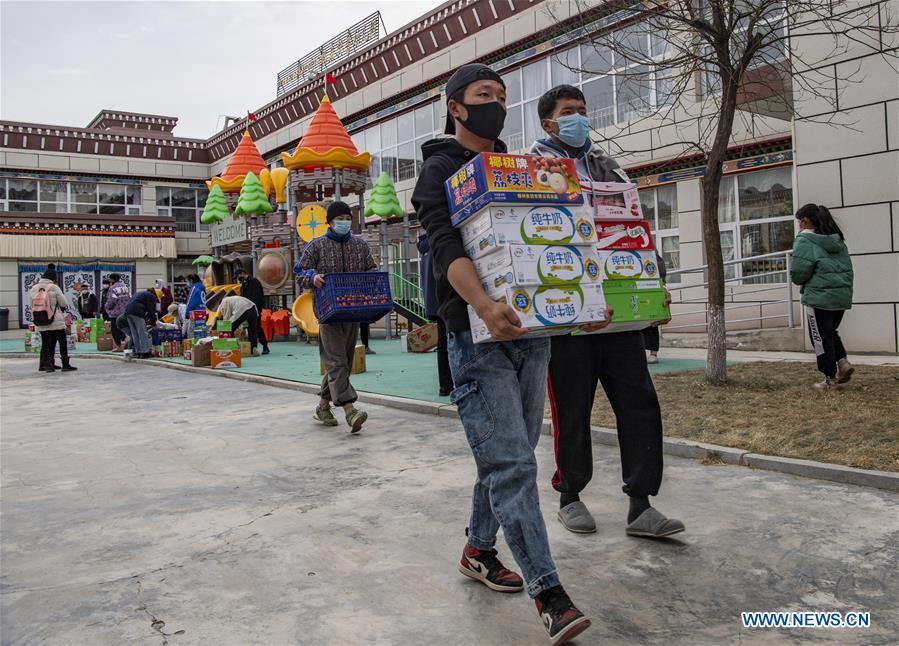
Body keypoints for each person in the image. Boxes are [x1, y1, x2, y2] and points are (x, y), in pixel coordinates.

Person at [411, 65, 592, 645]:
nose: (496, 104)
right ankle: (549, 593)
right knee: (512, 462)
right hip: (475, 335)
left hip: (532, 333)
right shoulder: (439, 169)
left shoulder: (517, 169)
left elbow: (555, 236)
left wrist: (585, 297)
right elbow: (446, 247)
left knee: (508, 455)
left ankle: (477, 550)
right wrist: (484, 305)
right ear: (455, 107)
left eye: (502, 97)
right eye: (483, 95)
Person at [531, 85, 684, 540]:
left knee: (640, 404)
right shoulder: (532, 169)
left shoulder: (608, 165)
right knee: (572, 409)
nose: (579, 118)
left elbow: (636, 226)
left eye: (582, 110)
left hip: (620, 313)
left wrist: (655, 283)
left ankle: (642, 505)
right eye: (568, 112)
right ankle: (570, 495)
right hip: (569, 314)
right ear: (547, 123)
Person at [296, 200, 375, 433]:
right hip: (327, 312)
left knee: (342, 362)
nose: (344, 222)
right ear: (329, 222)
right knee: (337, 361)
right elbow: (300, 270)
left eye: (348, 219)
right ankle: (350, 410)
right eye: (340, 219)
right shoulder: (317, 245)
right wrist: (312, 278)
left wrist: (372, 279)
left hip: (352, 309)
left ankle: (323, 406)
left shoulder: (360, 245)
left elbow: (371, 268)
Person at [790, 204, 854, 391]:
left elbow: (798, 274)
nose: (799, 226)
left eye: (799, 222)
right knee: (830, 332)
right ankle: (843, 362)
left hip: (819, 297)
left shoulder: (805, 240)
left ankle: (830, 379)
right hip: (841, 296)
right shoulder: (837, 240)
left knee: (819, 337)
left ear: (805, 221)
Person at [417, 231, 453, 396]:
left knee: (443, 344)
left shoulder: (426, 247)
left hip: (434, 302)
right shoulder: (441, 242)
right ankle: (450, 383)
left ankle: (445, 385)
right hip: (447, 299)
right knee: (452, 342)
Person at [28, 264, 76, 372]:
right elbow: (63, 303)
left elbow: (30, 305)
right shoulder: (54, 287)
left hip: (41, 319)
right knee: (62, 342)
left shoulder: (34, 288)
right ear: (53, 278)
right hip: (55, 320)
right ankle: (65, 364)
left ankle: (47, 365)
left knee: (45, 344)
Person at [234, 268, 270, 355]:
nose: (238, 279)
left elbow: (257, 296)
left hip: (255, 308)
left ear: (242, 273)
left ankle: (264, 345)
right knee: (250, 327)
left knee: (256, 327)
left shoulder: (254, 282)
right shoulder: (244, 284)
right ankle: (253, 348)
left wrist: (253, 307)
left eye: (238, 276)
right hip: (247, 308)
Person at [642, 251, 668, 364]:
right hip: (638, 289)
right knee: (639, 323)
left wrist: (661, 287)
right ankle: (642, 352)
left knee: (653, 322)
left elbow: (661, 273)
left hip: (652, 289)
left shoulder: (653, 255)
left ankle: (653, 353)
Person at [123, 289, 159, 358]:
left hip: (128, 312)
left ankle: (138, 351)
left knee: (135, 333)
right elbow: (151, 310)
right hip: (137, 311)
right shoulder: (151, 296)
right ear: (155, 296)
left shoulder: (141, 293)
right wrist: (153, 323)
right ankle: (145, 352)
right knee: (142, 332)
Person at [104, 273, 131, 352]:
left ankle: (119, 345)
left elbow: (111, 301)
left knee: (115, 329)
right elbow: (129, 297)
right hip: (125, 311)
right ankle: (126, 339)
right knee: (122, 327)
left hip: (115, 312)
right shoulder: (125, 287)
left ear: (111, 279)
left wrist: (106, 307)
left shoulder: (112, 288)